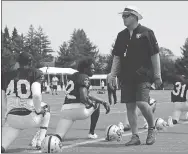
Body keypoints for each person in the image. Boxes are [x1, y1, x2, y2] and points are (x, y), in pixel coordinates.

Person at [108, 6, 162, 146]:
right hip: (126, 75)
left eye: (126, 16)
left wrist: (157, 75)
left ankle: (151, 129)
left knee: (142, 103)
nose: (123, 18)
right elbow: (117, 56)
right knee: (130, 107)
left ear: (135, 16)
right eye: (123, 16)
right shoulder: (121, 35)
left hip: (143, 74)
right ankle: (135, 136)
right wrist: (112, 74)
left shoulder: (147, 33)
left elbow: (155, 55)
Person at [51, 57, 110, 141]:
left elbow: (87, 94)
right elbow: (83, 96)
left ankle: (48, 140)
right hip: (78, 110)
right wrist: (91, 103)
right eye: (92, 68)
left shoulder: (74, 76)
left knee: (57, 137)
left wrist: (103, 101)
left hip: (65, 111)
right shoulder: (84, 77)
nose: (94, 70)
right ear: (85, 69)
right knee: (96, 104)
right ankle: (91, 133)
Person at [1, 52, 51, 152]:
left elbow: (2, 99)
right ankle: (40, 141)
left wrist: (7, 113)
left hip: (12, 118)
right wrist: (38, 110)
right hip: (30, 117)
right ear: (31, 62)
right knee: (46, 108)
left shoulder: (5, 74)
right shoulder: (36, 73)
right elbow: (36, 95)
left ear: (18, 62)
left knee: (2, 148)